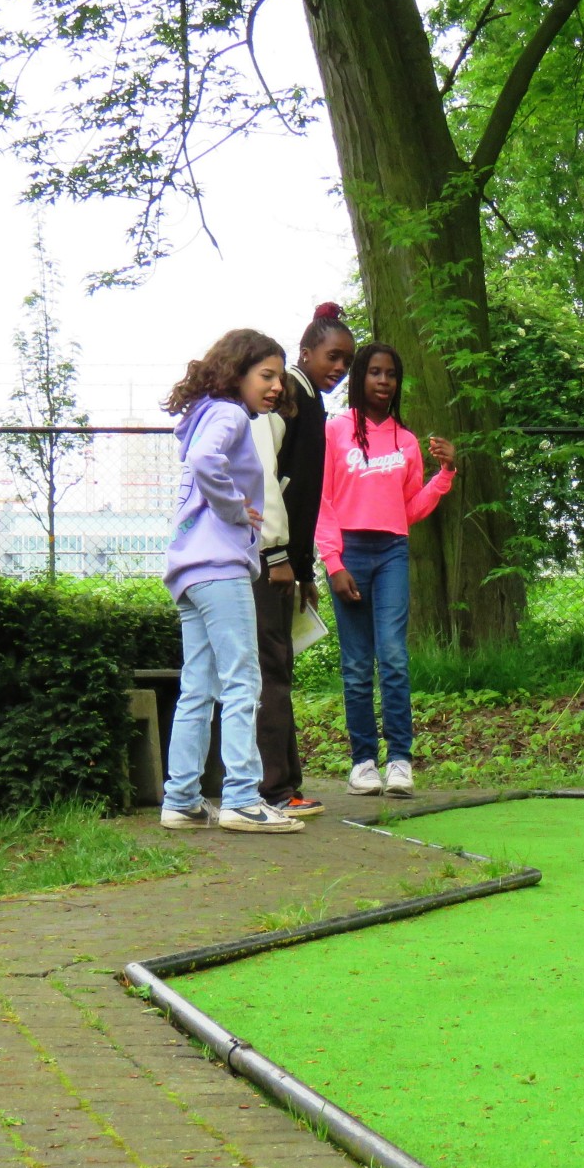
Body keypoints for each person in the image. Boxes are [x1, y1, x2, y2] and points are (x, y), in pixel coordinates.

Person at [159, 329, 304, 835]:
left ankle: (181, 799)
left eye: (280, 378)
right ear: (236, 373)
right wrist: (234, 512)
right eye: (266, 375)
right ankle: (243, 797)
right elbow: (207, 464)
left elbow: (198, 461)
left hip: (188, 569)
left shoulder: (200, 415)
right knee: (244, 680)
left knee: (198, 686)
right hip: (220, 566)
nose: (275, 387)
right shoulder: (228, 414)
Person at [314, 343, 455, 799]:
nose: (382, 380)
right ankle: (363, 763)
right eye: (373, 372)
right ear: (359, 378)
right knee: (357, 664)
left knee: (393, 656)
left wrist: (444, 473)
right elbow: (323, 503)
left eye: (390, 374)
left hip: (392, 549)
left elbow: (408, 508)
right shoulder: (335, 431)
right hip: (349, 552)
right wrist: (333, 563)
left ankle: (400, 760)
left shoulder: (406, 441)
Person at [255, 303, 355, 819]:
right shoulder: (288, 396)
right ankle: (272, 790)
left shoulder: (312, 400)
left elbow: (306, 496)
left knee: (280, 667)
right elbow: (267, 481)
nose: (339, 368)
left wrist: (305, 569)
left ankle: (286, 786)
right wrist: (275, 554)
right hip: (265, 560)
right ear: (307, 352)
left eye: (347, 362)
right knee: (271, 669)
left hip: (287, 562)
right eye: (332, 357)